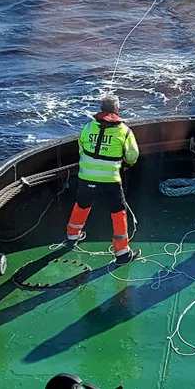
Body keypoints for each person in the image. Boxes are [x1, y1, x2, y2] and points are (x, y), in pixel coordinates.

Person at [65, 95, 140, 264]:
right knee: (118, 212)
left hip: (85, 177)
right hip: (110, 181)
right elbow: (132, 156)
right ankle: (122, 253)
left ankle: (72, 236)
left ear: (101, 108)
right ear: (117, 109)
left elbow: (81, 147)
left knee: (82, 205)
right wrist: (124, 163)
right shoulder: (124, 131)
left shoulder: (88, 127)